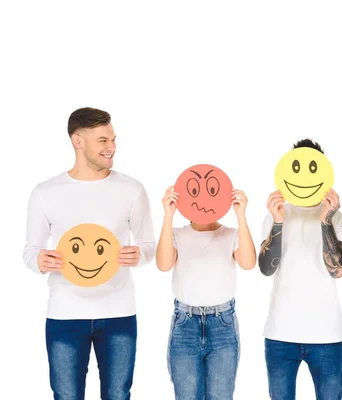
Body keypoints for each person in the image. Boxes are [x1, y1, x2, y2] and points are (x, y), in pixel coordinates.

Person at [22, 107, 156, 399]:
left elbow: (149, 246)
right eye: (103, 141)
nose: (112, 148)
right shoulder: (46, 192)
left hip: (119, 312)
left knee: (118, 394)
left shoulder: (132, 189)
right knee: (66, 395)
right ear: (77, 141)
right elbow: (30, 250)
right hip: (65, 314)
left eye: (113, 139)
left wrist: (139, 255)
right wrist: (40, 261)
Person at [258, 139, 342, 400]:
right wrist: (277, 222)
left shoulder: (339, 219)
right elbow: (266, 268)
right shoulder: (276, 213)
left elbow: (338, 270)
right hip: (280, 335)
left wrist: (326, 221)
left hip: (327, 335)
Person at [156, 182, 256, 399]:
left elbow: (248, 263)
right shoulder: (176, 233)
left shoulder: (231, 234)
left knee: (221, 395)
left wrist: (241, 216)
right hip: (185, 323)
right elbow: (163, 264)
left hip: (222, 324)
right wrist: (168, 216)